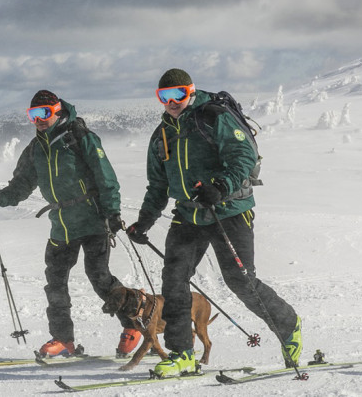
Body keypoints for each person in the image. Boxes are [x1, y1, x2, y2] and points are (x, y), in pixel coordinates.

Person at [125, 69, 302, 377]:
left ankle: (289, 327)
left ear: (190, 91)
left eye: (178, 94)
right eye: (164, 97)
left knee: (240, 280)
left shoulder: (212, 117)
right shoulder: (161, 134)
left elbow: (243, 156)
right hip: (188, 215)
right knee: (174, 281)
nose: (171, 102)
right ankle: (181, 353)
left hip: (229, 210)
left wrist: (220, 186)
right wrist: (144, 222)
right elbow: (157, 185)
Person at [0, 89, 141, 358]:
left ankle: (133, 326)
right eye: (33, 115)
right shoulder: (35, 149)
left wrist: (112, 212)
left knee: (99, 277)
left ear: (58, 111)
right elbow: (20, 186)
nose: (39, 119)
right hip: (61, 225)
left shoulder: (80, 138)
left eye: (44, 113)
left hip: (92, 220)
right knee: (55, 281)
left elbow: (106, 177)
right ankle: (63, 340)